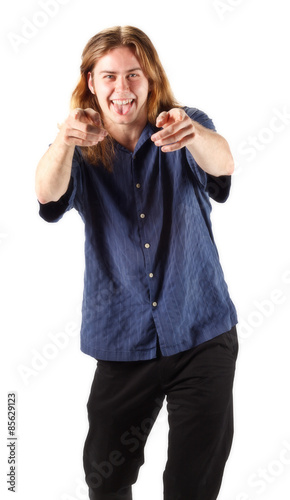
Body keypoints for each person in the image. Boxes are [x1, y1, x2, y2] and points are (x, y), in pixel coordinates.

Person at [35, 25, 238, 500]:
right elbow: (46, 196)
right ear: (90, 81)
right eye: (108, 76)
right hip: (123, 341)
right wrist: (65, 141)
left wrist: (195, 136)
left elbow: (224, 165)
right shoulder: (79, 148)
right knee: (106, 480)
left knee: (192, 486)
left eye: (133, 75)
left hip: (201, 334)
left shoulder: (186, 126)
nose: (121, 89)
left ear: (151, 78)